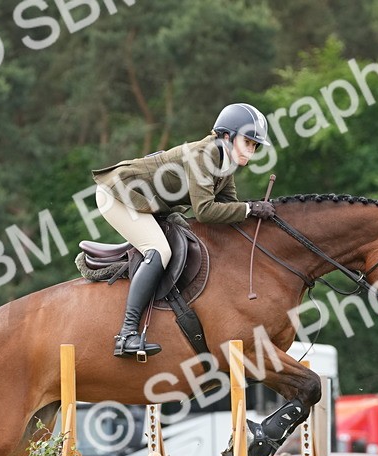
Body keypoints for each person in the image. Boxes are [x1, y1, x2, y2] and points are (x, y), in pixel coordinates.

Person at [91, 103, 275, 359]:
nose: (251, 150)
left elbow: (228, 209)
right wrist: (249, 208)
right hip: (119, 194)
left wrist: (261, 218)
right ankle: (126, 334)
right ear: (226, 136)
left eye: (255, 145)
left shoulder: (226, 165)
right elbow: (205, 211)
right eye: (248, 142)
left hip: (147, 202)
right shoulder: (204, 155)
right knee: (159, 250)